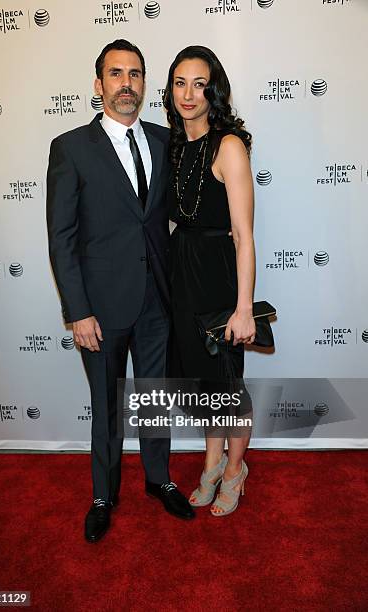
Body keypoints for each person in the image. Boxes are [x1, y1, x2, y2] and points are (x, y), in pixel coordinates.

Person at [46, 39, 194, 543]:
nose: (125, 84)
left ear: (143, 84)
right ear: (98, 84)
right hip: (101, 309)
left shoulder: (162, 140)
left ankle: (160, 479)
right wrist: (78, 311)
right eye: (115, 74)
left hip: (157, 299)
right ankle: (103, 495)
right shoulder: (70, 148)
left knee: (154, 398)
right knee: (107, 404)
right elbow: (61, 238)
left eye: (134, 74)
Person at [163, 45, 256, 517]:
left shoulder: (229, 146)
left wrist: (244, 308)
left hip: (219, 280)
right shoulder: (175, 146)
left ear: (213, 89)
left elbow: (243, 236)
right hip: (184, 277)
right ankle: (213, 460)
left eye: (199, 83)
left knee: (226, 383)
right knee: (203, 384)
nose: (188, 93)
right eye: (180, 82)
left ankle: (235, 470)